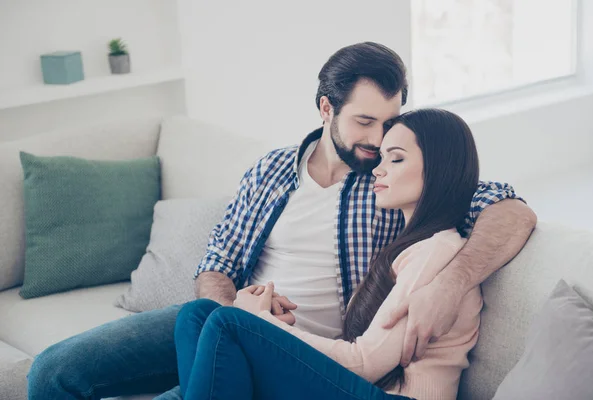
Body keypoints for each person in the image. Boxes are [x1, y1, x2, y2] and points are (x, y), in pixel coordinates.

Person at [27, 42, 536, 400]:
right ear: (325, 108)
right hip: (243, 324)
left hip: (318, 352)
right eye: (364, 122)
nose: (379, 139)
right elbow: (216, 265)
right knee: (54, 371)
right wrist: (237, 315)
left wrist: (453, 282)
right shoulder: (272, 170)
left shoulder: (394, 181)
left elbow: (511, 210)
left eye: (388, 122)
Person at [175, 108, 484, 399]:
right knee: (197, 315)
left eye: (397, 159)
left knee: (228, 323)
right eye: (382, 158)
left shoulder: (436, 250)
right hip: (365, 388)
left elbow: (365, 362)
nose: (378, 169)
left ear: (438, 168)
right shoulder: (409, 244)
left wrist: (260, 320)